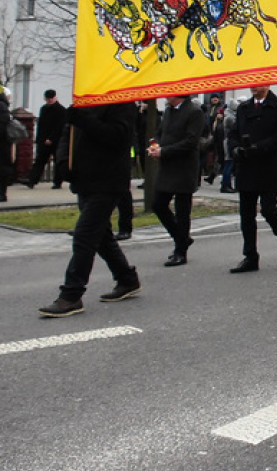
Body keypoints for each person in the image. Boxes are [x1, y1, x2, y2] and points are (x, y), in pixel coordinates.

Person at [38, 101, 140, 317]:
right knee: (101, 236)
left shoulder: (122, 101)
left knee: (84, 235)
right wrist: (64, 162)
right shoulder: (84, 98)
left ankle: (71, 295)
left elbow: (118, 137)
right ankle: (127, 279)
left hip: (108, 181)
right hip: (83, 180)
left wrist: (83, 118)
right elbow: (68, 133)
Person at [227, 85, 277, 273]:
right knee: (246, 215)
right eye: (251, 84)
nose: (253, 88)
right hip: (246, 167)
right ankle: (250, 256)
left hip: (267, 168)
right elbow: (233, 133)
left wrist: (258, 147)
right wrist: (234, 149)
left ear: (267, 84)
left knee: (269, 210)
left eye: (257, 84)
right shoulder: (243, 108)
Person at [148, 95, 204, 267]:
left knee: (182, 210)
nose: (165, 94)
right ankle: (182, 238)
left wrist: (164, 151)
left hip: (184, 168)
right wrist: (154, 144)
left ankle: (181, 251)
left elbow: (191, 141)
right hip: (167, 167)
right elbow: (160, 133)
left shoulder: (194, 112)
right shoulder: (168, 111)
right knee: (158, 204)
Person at [27, 89, 66, 189]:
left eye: (50, 99)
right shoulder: (44, 109)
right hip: (44, 140)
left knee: (57, 161)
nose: (48, 101)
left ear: (54, 98)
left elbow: (60, 127)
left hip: (55, 141)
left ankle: (57, 182)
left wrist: (51, 138)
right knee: (40, 160)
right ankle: (32, 180)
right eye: (47, 99)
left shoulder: (60, 110)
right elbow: (41, 126)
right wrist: (40, 139)